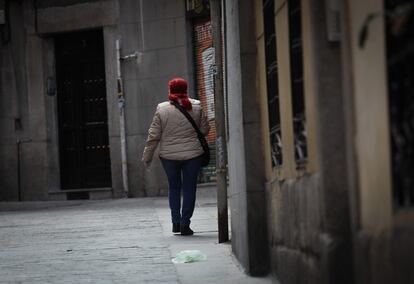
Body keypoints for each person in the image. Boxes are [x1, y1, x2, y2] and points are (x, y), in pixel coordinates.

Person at [142, 77, 210, 236]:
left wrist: (147, 157)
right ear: (186, 89)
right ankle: (186, 224)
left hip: (169, 157)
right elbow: (205, 131)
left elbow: (153, 136)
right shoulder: (197, 107)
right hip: (193, 155)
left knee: (174, 188)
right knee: (189, 188)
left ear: (170, 90)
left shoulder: (161, 109)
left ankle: (175, 223)